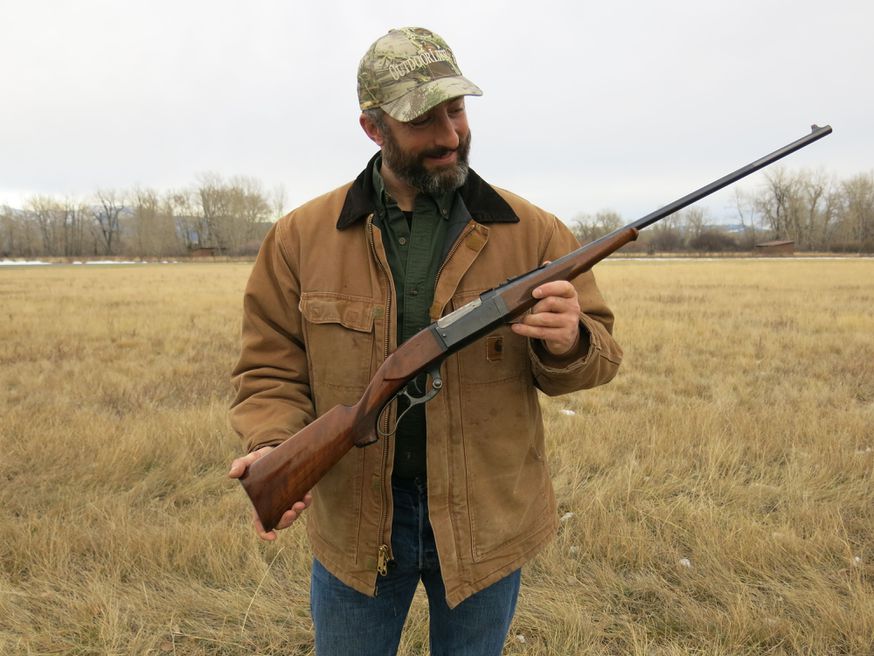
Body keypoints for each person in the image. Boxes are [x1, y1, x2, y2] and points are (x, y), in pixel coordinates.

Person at [228, 26, 623, 656]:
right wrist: (276, 445)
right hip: (357, 525)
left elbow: (596, 360)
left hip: (485, 522)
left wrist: (568, 339)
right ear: (373, 127)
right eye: (422, 120)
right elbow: (268, 368)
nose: (448, 135)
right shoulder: (299, 238)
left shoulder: (537, 233)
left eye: (457, 110)